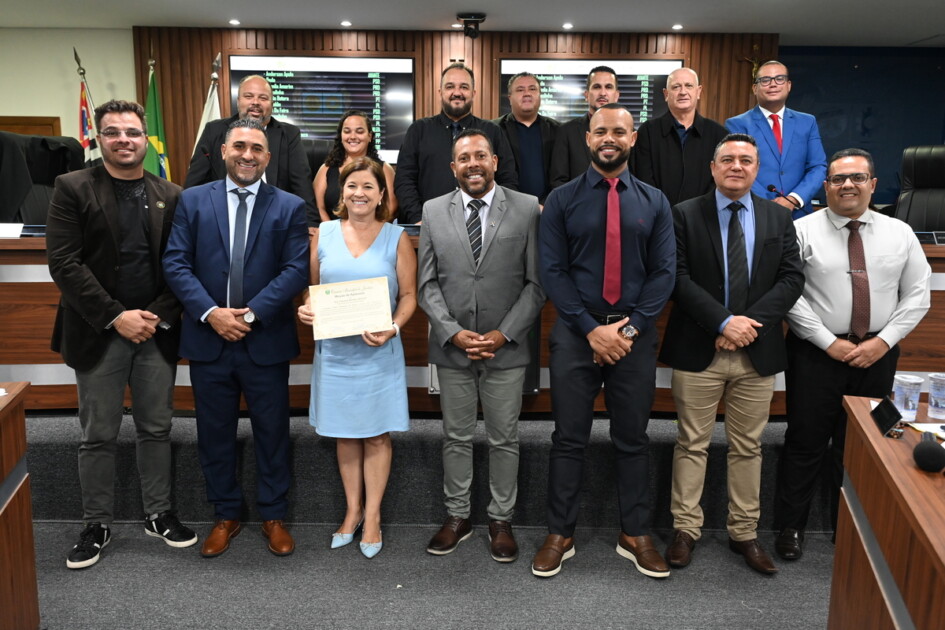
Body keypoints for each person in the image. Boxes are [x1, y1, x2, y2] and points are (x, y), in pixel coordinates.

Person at [46, 99, 198, 569]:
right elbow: (64, 263)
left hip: (154, 330)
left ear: (144, 138)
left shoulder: (171, 193)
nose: (123, 140)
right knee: (98, 434)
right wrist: (117, 316)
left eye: (132, 132)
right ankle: (97, 523)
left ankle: (158, 513)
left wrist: (153, 316)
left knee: (156, 428)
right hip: (98, 331)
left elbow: (181, 264)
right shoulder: (72, 186)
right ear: (100, 138)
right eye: (113, 132)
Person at [534, 104, 676, 579]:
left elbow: (664, 273)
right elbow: (553, 271)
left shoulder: (656, 201)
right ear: (588, 138)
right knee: (568, 438)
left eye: (618, 131)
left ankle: (635, 533)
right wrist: (591, 329)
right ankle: (560, 533)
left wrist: (627, 330)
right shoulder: (561, 200)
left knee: (633, 438)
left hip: (634, 338)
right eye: (600, 131)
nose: (609, 138)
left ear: (632, 138)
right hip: (577, 334)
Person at [658, 133, 804, 575]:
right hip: (698, 348)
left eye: (745, 160)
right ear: (713, 167)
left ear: (757, 169)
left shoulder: (778, 218)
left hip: (757, 351)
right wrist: (723, 323)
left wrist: (744, 326)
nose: (736, 166)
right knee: (691, 443)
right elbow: (677, 278)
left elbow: (792, 279)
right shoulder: (684, 214)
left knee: (748, 446)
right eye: (727, 159)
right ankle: (685, 529)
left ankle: (744, 532)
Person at [774, 149, 930, 560]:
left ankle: (851, 527)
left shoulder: (900, 233)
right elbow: (789, 293)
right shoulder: (801, 230)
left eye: (857, 178)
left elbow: (918, 295)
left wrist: (883, 341)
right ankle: (790, 526)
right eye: (839, 179)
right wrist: (828, 341)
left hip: (877, 353)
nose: (848, 185)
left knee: (862, 445)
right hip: (815, 353)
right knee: (805, 441)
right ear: (826, 186)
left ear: (873, 185)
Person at [163, 118, 309, 558]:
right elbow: (175, 263)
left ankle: (273, 515)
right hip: (209, 340)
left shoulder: (289, 206)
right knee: (214, 433)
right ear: (224, 151)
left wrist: (251, 313)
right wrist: (211, 313)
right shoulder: (192, 200)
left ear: (268, 157)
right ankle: (225, 514)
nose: (248, 155)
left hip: (265, 340)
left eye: (257, 149)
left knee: (272, 433)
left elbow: (295, 269)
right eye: (240, 146)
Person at [418, 129, 545, 563]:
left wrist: (503, 333)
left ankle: (500, 519)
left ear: (494, 162)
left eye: (480, 155)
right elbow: (426, 283)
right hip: (452, 347)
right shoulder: (433, 211)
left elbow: (536, 284)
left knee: (504, 438)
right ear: (453, 167)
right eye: (464, 158)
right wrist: (452, 331)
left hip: (505, 348)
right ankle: (457, 516)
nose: (472, 163)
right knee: (455, 436)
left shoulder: (526, 208)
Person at [297, 157, 417, 559]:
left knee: (377, 434)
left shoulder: (396, 237)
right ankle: (352, 512)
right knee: (345, 433)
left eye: (368, 186)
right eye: (352, 186)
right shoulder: (324, 233)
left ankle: (374, 515)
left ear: (381, 194)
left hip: (378, 352)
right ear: (341, 193)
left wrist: (393, 327)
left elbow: (409, 296)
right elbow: (312, 288)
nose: (359, 193)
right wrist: (307, 307)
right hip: (335, 354)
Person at [184, 74, 318, 229]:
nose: (255, 102)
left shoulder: (289, 135)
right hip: (222, 218)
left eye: (263, 98)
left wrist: (311, 225)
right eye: (249, 96)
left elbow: (302, 185)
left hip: (275, 220)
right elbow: (194, 184)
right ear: (238, 101)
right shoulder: (214, 131)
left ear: (272, 104)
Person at [394, 63, 518, 224]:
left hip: (483, 226)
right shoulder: (418, 130)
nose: (457, 92)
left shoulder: (492, 131)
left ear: (473, 93)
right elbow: (404, 180)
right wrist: (419, 219)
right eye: (450, 87)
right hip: (429, 225)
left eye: (464, 87)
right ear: (440, 92)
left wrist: (494, 220)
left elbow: (508, 181)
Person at [725, 61, 827, 219]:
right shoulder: (737, 124)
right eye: (765, 80)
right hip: (755, 212)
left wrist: (793, 199)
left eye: (779, 79)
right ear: (755, 88)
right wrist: (769, 203)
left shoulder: (807, 122)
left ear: (788, 85)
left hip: (799, 213)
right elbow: (738, 168)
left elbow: (818, 166)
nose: (773, 84)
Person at [630, 68, 728, 205]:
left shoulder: (719, 134)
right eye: (676, 87)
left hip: (704, 214)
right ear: (666, 94)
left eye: (689, 86)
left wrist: (698, 211)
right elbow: (642, 178)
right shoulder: (647, 131)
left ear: (698, 91)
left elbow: (720, 180)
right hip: (656, 213)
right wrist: (662, 210)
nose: (683, 92)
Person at [313, 109, 398, 222]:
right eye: (347, 131)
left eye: (359, 131)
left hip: (375, 230)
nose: (352, 136)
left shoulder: (384, 169)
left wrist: (370, 229)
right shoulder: (326, 169)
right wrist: (332, 230)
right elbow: (318, 207)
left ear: (370, 136)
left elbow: (391, 207)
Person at [548, 66, 620, 189]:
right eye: (596, 87)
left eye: (608, 87)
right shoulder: (566, 132)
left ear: (617, 95)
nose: (603, 93)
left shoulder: (630, 135)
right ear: (586, 95)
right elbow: (558, 182)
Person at [493, 72, 559, 204]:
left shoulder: (558, 130)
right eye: (520, 90)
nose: (527, 93)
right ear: (510, 98)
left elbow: (561, 176)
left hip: (550, 207)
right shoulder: (494, 129)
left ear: (540, 95)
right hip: (507, 207)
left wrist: (547, 204)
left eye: (532, 89)